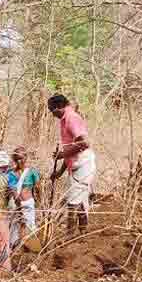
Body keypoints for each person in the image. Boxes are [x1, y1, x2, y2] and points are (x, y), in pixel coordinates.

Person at [48, 94, 97, 235]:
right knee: (80, 199)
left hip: (83, 164)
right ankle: (82, 232)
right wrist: (60, 172)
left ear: (58, 107)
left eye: (52, 111)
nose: (52, 114)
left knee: (72, 202)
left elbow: (84, 143)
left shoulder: (71, 118)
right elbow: (70, 149)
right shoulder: (64, 119)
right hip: (76, 165)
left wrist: (63, 154)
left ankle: (69, 236)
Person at [7, 146, 41, 247]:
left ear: (26, 158)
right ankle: (15, 247)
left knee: (30, 225)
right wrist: (18, 205)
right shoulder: (11, 174)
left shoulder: (32, 172)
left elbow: (38, 188)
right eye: (16, 159)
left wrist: (39, 201)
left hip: (28, 203)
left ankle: (29, 247)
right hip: (15, 205)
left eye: (21, 158)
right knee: (15, 227)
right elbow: (12, 191)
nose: (19, 161)